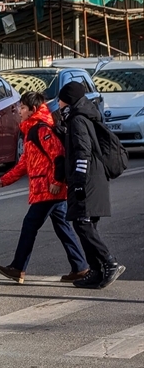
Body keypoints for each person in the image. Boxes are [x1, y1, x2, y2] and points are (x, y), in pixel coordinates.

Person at [0, 92, 88, 284]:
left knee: (30, 226)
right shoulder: (31, 130)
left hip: (48, 189)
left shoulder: (41, 129)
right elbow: (25, 163)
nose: (19, 111)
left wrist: (57, 182)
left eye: (23, 108)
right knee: (63, 228)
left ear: (33, 110)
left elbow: (58, 156)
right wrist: (4, 180)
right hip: (46, 188)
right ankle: (80, 267)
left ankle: (18, 268)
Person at [58, 82, 126, 289]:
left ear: (68, 100)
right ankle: (96, 271)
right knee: (85, 224)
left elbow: (82, 152)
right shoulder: (81, 117)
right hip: (93, 178)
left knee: (83, 224)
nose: (58, 104)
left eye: (61, 99)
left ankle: (109, 262)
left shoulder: (78, 119)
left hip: (88, 179)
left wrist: (78, 182)